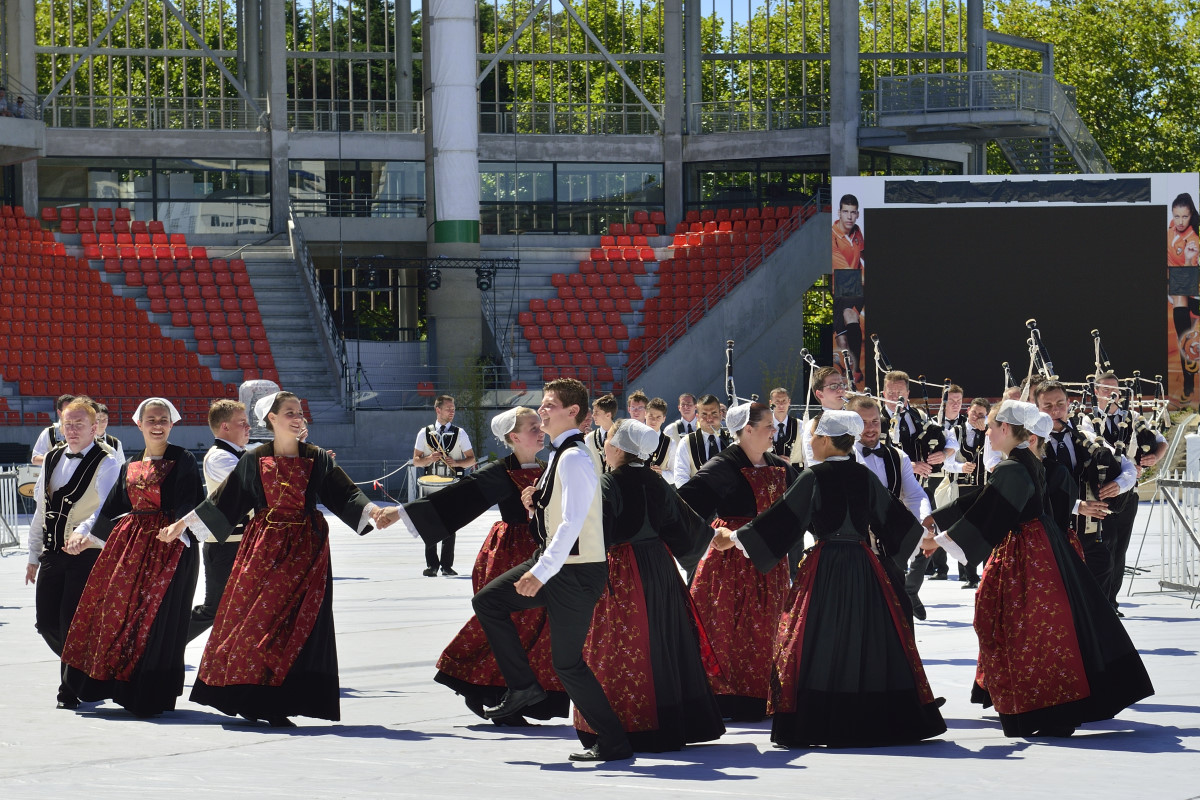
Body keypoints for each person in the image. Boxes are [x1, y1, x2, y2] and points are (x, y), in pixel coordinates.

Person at [711, 409, 946, 747]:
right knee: (869, 638)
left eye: (813, 436)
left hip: (826, 566)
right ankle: (873, 716)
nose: (810, 441)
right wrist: (926, 539)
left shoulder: (814, 476)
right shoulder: (864, 476)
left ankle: (820, 719)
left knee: (815, 638)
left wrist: (732, 538)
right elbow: (894, 519)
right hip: (865, 566)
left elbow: (782, 520)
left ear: (824, 439)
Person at [928, 400, 1154, 738]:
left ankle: (1045, 706)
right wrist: (940, 519)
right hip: (1039, 547)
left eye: (991, 427)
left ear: (1006, 429)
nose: (987, 433)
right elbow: (987, 498)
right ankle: (1043, 703)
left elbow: (992, 508)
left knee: (1025, 626)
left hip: (1028, 554)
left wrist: (939, 540)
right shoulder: (1023, 463)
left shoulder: (1013, 467)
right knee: (1037, 625)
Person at [161, 391, 382, 726]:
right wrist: (183, 524)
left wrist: (374, 510)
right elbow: (224, 499)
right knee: (255, 620)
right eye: (290, 412)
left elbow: (345, 493)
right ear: (273, 419)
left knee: (298, 622)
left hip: (306, 549)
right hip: (263, 546)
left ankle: (282, 698)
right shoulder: (254, 459)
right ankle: (252, 694)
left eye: (300, 412)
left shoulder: (317, 457)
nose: (298, 418)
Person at [465, 378, 632, 762]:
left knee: (567, 663)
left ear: (572, 412)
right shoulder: (561, 454)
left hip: (573, 570)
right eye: (543, 404)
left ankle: (613, 742)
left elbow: (574, 521)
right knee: (489, 601)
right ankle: (523, 686)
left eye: (549, 405)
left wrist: (540, 571)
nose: (541, 410)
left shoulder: (572, 456)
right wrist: (535, 502)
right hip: (560, 565)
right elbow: (559, 511)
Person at [381, 406, 569, 724]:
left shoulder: (546, 467)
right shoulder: (500, 471)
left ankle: (515, 694)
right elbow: (458, 496)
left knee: (536, 625)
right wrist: (402, 513)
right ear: (513, 436)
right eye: (533, 427)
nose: (541, 431)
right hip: (509, 553)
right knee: (509, 621)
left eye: (540, 426)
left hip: (541, 553)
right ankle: (484, 688)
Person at [575, 418, 725, 753]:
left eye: (608, 440)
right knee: (661, 638)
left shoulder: (608, 484)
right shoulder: (658, 483)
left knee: (621, 642)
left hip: (621, 570)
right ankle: (669, 721)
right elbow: (686, 528)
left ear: (615, 447)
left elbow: (593, 533)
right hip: (659, 566)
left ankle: (628, 725)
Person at [61, 398, 204, 717]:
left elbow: (191, 500)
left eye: (163, 419)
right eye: (151, 419)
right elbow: (110, 508)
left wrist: (177, 527)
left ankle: (148, 693)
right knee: (114, 612)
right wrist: (86, 536)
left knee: (156, 619)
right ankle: (104, 684)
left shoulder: (184, 459)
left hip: (171, 548)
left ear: (172, 423)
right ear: (139, 424)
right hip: (131, 549)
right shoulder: (130, 465)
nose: (157, 424)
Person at [676, 402, 799, 720]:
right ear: (747, 429)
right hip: (730, 563)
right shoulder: (723, 465)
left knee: (766, 626)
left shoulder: (779, 465)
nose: (775, 431)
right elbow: (682, 505)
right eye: (768, 426)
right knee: (726, 625)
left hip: (769, 562)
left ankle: (760, 696)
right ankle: (722, 697)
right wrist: (708, 533)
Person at [24, 398, 121, 710]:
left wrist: (85, 532)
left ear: (94, 428)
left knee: (71, 622)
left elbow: (109, 509)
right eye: (68, 424)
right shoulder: (52, 457)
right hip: (53, 553)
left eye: (80, 424)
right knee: (46, 623)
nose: (73, 429)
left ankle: (69, 688)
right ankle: (88, 670)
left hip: (87, 555)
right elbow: (42, 509)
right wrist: (32, 556)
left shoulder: (108, 461)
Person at [1035, 380, 1133, 593]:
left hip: (1090, 535)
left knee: (1100, 586)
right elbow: (1035, 490)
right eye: (1047, 406)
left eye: (1060, 403)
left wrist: (1118, 485)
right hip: (1051, 537)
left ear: (1069, 403)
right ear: (1037, 409)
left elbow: (1128, 468)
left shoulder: (1086, 437)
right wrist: (1077, 505)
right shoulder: (1032, 443)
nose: (1055, 411)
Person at [848, 395, 932, 621]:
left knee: (894, 610)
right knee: (860, 611)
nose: (870, 428)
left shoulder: (898, 456)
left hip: (890, 546)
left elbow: (914, 494)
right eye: (863, 422)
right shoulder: (844, 456)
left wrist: (925, 520)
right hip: (855, 547)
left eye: (874, 421)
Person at [1089, 373, 1166, 614]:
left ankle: (1111, 601)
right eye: (1105, 388)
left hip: (1127, 494)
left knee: (1119, 548)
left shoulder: (1132, 418)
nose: (1111, 393)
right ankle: (1096, 601)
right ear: (1095, 391)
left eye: (1115, 389)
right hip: (1097, 493)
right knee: (1101, 546)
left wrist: (1155, 457)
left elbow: (1160, 442)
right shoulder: (1086, 418)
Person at [187, 399, 252, 642]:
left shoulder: (240, 454)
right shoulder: (220, 458)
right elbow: (253, 488)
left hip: (241, 543)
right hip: (226, 545)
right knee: (214, 609)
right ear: (225, 427)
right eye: (242, 423)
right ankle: (163, 647)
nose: (248, 428)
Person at [413, 394, 476, 576]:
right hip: (430, 483)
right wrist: (428, 458)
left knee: (450, 523)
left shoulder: (460, 433)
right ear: (438, 409)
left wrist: (456, 463)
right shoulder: (424, 433)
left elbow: (471, 459)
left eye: (453, 409)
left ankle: (447, 565)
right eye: (448, 409)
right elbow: (416, 461)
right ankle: (432, 565)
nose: (452, 412)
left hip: (452, 484)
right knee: (430, 523)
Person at [949, 397, 991, 588]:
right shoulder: (955, 431)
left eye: (982, 414)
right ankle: (968, 575)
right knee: (964, 531)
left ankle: (988, 573)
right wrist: (960, 467)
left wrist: (988, 431)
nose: (977, 417)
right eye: (975, 413)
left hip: (986, 487)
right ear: (968, 411)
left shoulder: (991, 432)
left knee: (986, 532)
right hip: (963, 488)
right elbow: (946, 462)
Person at [670, 394, 729, 487]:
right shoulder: (687, 442)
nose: (709, 419)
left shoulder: (731, 440)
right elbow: (680, 477)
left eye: (714, 414)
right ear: (697, 417)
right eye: (704, 414)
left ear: (721, 415)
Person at [800, 366, 848, 467]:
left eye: (842, 385)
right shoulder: (812, 426)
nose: (840, 390)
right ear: (820, 394)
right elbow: (815, 465)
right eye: (834, 386)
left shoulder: (857, 418)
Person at [31, 394, 75, 465]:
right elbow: (35, 459)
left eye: (74, 410)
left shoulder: (83, 431)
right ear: (59, 413)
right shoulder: (49, 432)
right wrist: (57, 460)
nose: (71, 414)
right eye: (67, 410)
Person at [643, 396, 677, 485]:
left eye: (658, 417)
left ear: (663, 419)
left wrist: (662, 474)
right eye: (651, 416)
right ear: (645, 414)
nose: (654, 420)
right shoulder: (634, 438)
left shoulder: (670, 443)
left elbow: (675, 474)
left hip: (657, 492)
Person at [587, 393, 618, 470]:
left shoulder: (622, 436)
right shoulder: (589, 438)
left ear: (608, 415)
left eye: (596, 412)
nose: (593, 415)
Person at [767, 387, 799, 461]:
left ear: (789, 402)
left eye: (784, 401)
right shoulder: (762, 426)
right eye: (777, 402)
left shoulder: (799, 425)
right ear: (770, 403)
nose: (781, 405)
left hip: (795, 471)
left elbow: (806, 454)